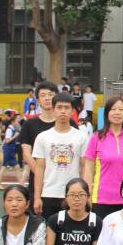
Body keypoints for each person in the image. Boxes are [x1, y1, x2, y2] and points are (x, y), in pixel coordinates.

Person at [20, 81, 75, 211]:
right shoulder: (29, 124)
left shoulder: (70, 123)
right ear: (37, 100)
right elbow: (26, 154)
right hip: (39, 183)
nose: (47, 98)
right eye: (43, 95)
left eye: (51, 94)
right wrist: (43, 174)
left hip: (66, 184)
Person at [32, 92, 89, 219]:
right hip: (49, 193)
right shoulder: (42, 137)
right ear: (53, 109)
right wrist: (37, 197)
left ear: (72, 111)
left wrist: (85, 195)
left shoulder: (82, 137)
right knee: (49, 229)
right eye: (59, 107)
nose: (63, 111)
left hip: (74, 195)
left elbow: (85, 167)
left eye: (67, 107)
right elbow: (39, 168)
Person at [81, 96, 123, 221]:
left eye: (121, 109)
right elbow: (88, 169)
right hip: (101, 199)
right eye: (113, 109)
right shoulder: (97, 137)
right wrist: (87, 195)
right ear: (107, 113)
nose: (117, 113)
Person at [0, 114, 20, 189]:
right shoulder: (9, 130)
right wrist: (15, 136)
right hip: (8, 150)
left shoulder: (12, 129)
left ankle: (21, 183)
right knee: (3, 167)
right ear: (13, 122)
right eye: (16, 121)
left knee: (17, 167)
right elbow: (7, 140)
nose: (17, 122)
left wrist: (1, 145)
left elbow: (5, 139)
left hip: (11, 150)